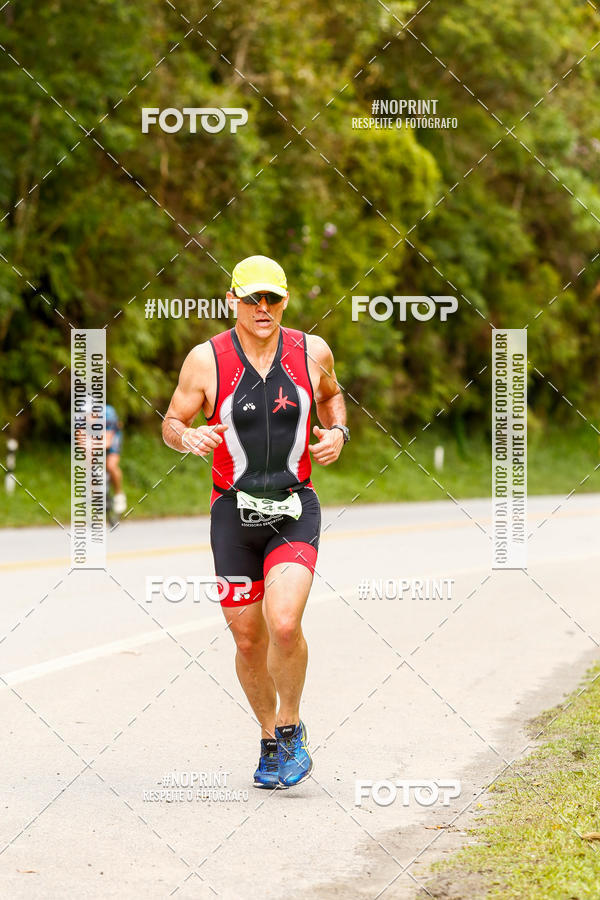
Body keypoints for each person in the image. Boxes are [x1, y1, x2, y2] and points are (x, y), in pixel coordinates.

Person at [162, 255, 349, 789]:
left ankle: (291, 728)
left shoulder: (312, 352)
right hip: (233, 513)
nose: (263, 308)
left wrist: (337, 434)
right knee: (248, 640)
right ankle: (269, 739)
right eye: (252, 299)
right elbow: (172, 420)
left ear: (285, 300)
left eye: (273, 298)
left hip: (294, 507)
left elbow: (334, 400)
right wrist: (187, 436)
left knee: (284, 622)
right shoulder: (207, 361)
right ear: (232, 301)